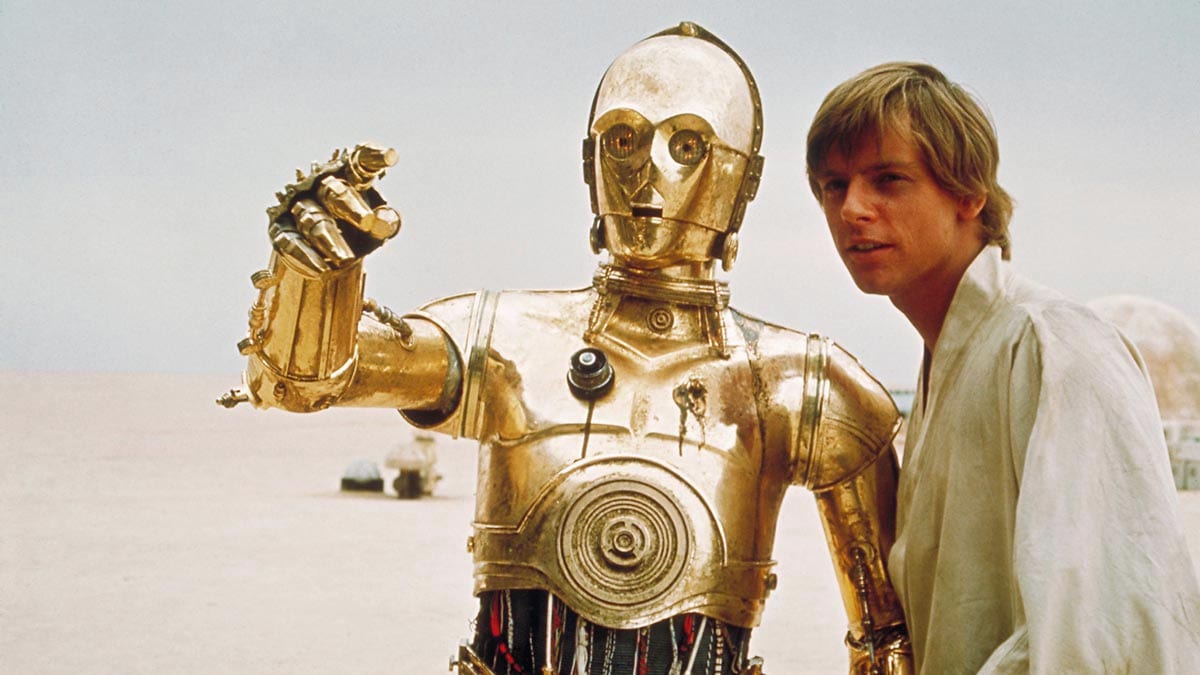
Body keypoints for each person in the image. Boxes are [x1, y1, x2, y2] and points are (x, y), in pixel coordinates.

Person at [220, 23, 915, 675]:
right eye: (623, 140)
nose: (646, 173)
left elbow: (889, 639)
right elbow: (302, 382)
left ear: (741, 179)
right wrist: (313, 277)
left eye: (686, 146)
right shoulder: (507, 341)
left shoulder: (803, 387)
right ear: (591, 161)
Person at [805, 61, 1200, 673]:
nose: (853, 208)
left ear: (969, 193)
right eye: (834, 185)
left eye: (888, 179)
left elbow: (1100, 631)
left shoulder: (1052, 346)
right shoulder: (950, 363)